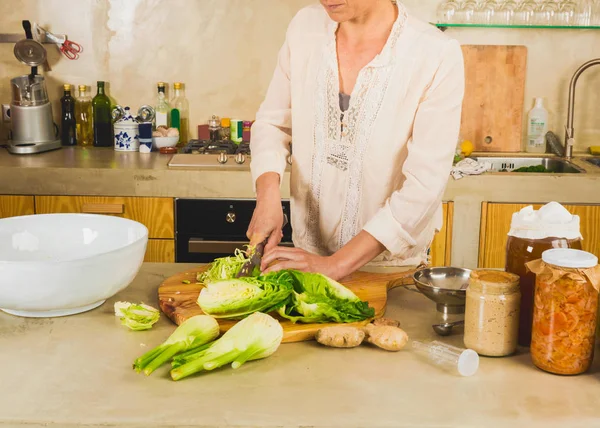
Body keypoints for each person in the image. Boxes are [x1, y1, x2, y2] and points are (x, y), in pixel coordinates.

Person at [247, 0, 465, 281]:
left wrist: (336, 265)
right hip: (305, 259)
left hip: (387, 271)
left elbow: (424, 187)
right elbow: (273, 122)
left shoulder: (436, 54)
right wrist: (267, 198)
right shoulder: (305, 28)